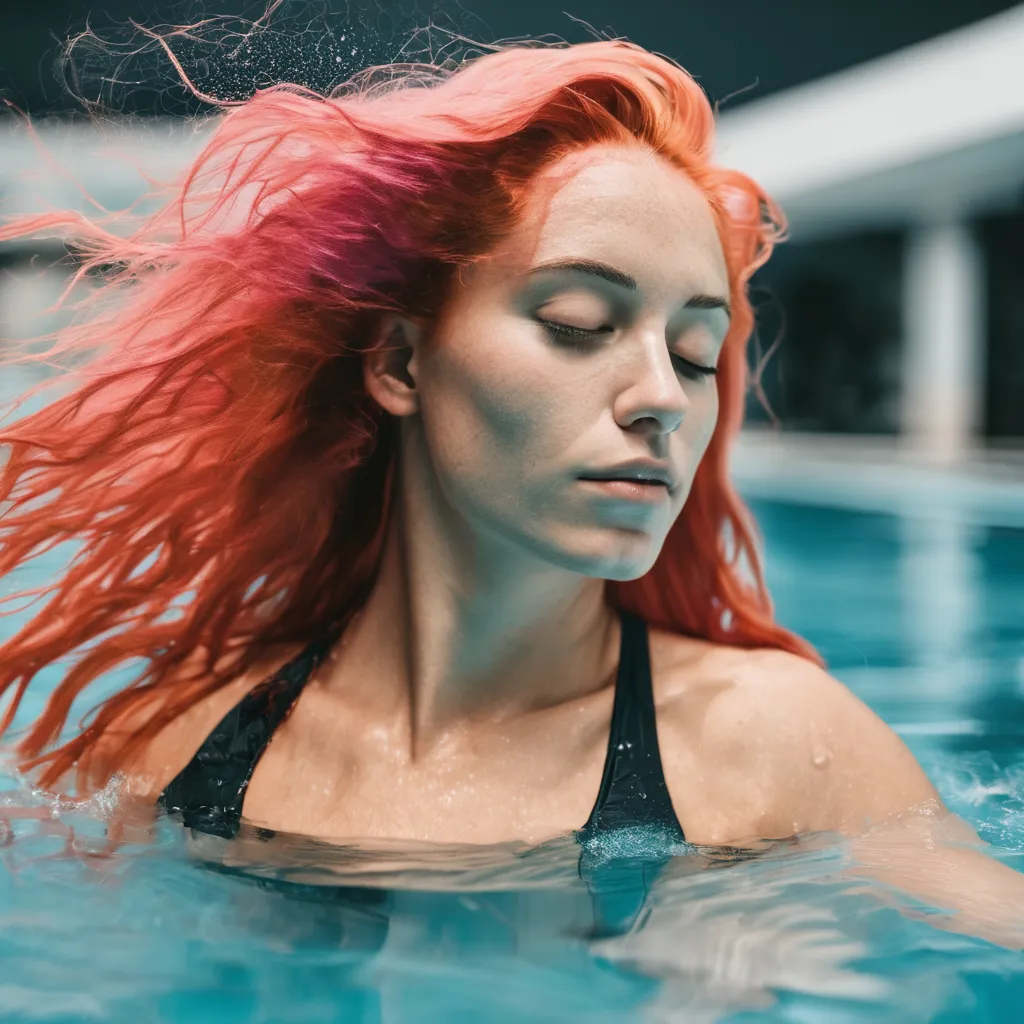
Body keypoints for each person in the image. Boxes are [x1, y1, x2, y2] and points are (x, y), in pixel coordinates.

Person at [0, 35, 1021, 945]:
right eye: (579, 323)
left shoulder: (774, 745)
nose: (661, 397)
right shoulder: (178, 749)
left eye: (697, 352)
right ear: (399, 363)